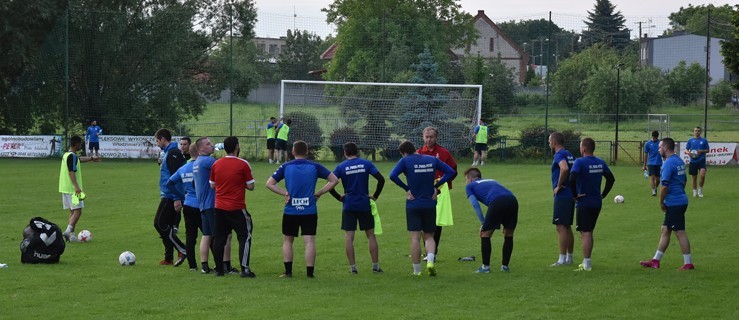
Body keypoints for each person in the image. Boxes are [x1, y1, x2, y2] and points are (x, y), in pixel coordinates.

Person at [266, 140, 339, 278]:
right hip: (309, 210)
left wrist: (285, 193)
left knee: (288, 240)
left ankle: (288, 272)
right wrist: (319, 193)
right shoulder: (315, 166)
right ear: (306, 152)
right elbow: (334, 180)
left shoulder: (286, 166)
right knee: (309, 241)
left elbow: (269, 184)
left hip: (291, 210)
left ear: (293, 152)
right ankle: (309, 274)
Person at [389, 141, 455, 276]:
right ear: (415, 149)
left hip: (413, 204)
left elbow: (392, 176)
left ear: (402, 153)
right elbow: (451, 172)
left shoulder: (405, 161)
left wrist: (406, 188)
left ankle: (417, 271)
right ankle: (430, 260)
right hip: (430, 203)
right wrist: (437, 187)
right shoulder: (432, 159)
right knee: (429, 236)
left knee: (415, 238)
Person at [328, 142, 386, 274]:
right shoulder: (366, 164)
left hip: (348, 204)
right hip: (364, 203)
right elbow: (381, 179)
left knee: (349, 237)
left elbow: (330, 183)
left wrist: (338, 197)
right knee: (371, 235)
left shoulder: (341, 166)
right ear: (357, 152)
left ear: (345, 152)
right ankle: (375, 266)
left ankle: (353, 268)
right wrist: (375, 196)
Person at [640, 137, 694, 270]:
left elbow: (664, 186)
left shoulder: (668, 164)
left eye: (659, 147)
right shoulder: (679, 161)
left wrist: (661, 202)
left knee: (679, 231)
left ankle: (688, 263)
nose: (658, 149)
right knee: (665, 230)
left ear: (665, 148)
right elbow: (684, 180)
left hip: (674, 203)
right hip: (680, 199)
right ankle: (655, 260)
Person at [210, 136, 257, 278]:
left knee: (219, 238)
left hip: (219, 207)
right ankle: (245, 269)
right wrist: (238, 182)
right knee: (245, 236)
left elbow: (212, 185)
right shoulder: (243, 164)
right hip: (236, 207)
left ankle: (219, 270)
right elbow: (251, 186)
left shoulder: (216, 164)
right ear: (237, 146)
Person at [569, 137, 615, 271]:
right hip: (596, 201)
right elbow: (611, 179)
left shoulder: (579, 162)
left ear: (583, 148)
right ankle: (587, 261)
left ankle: (587, 264)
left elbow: (572, 178)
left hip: (584, 201)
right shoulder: (600, 162)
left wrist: (574, 195)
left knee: (585, 232)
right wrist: (603, 194)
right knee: (589, 231)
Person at [193, 137, 238, 274]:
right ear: (200, 148)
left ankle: (205, 266)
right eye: (208, 144)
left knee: (207, 235)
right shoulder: (209, 161)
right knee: (224, 236)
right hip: (213, 204)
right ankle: (225, 266)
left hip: (203, 204)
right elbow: (224, 169)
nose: (211, 146)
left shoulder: (197, 162)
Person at [463, 168, 518, 272]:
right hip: (512, 200)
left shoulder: (469, 186)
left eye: (466, 179)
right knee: (508, 234)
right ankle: (505, 267)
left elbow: (475, 205)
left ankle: (485, 267)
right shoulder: (492, 180)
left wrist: (483, 223)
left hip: (497, 202)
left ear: (470, 179)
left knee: (485, 234)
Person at [417, 126, 457, 261]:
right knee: (424, 220)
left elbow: (453, 170)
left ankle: (433, 252)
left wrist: (442, 183)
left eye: (431, 137)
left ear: (436, 138)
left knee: (436, 221)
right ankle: (428, 251)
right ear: (423, 137)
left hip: (439, 190)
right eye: (426, 137)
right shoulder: (418, 153)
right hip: (422, 190)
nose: (428, 139)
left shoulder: (443, 153)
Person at [153, 128, 188, 266]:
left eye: (157, 140)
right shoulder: (169, 152)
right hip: (169, 194)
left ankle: (182, 249)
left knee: (159, 223)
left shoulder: (173, 153)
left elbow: (176, 177)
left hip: (171, 195)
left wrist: (176, 198)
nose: (157, 143)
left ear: (163, 139)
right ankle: (169, 258)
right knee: (165, 226)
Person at [166, 143, 202, 271]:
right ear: (199, 151)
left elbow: (169, 184)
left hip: (188, 205)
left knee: (190, 237)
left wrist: (181, 196)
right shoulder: (202, 166)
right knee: (210, 235)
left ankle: (192, 266)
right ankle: (214, 265)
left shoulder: (184, 168)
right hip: (202, 206)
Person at [59, 135, 99, 242]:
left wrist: (91, 158)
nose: (80, 145)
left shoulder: (68, 155)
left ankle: (71, 236)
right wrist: (76, 187)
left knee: (72, 212)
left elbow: (79, 159)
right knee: (78, 211)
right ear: (76, 144)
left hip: (65, 188)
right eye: (80, 143)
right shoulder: (71, 156)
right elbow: (71, 171)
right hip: (72, 189)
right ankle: (67, 231)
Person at [548, 132, 575, 267]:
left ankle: (561, 259)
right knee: (567, 226)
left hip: (563, 194)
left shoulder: (559, 155)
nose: (549, 144)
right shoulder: (569, 154)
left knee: (560, 227)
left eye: (549, 141)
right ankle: (569, 257)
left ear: (554, 142)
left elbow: (564, 169)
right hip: (571, 193)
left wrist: (558, 186)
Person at [684, 127, 709, 198]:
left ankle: (700, 190)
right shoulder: (690, 140)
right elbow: (686, 149)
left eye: (698, 131)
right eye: (695, 131)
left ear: (700, 132)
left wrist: (701, 151)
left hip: (701, 160)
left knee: (702, 175)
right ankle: (694, 191)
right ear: (693, 132)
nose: (697, 132)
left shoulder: (704, 140)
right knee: (694, 178)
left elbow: (707, 150)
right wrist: (689, 153)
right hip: (693, 161)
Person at [643, 131, 663, 197]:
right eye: (654, 138)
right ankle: (653, 192)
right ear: (652, 137)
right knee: (652, 177)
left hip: (659, 163)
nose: (654, 139)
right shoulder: (648, 144)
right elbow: (645, 154)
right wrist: (644, 165)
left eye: (656, 138)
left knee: (658, 180)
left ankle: (655, 188)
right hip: (651, 163)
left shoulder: (660, 143)